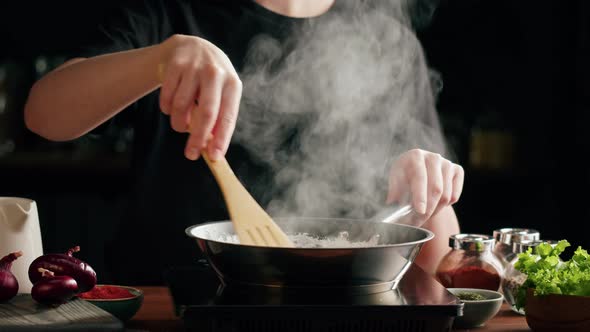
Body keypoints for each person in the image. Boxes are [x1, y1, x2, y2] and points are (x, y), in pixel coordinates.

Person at [24, 0, 463, 284]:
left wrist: (429, 193)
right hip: (165, 303)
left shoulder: (380, 33)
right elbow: (43, 115)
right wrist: (160, 59)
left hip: (338, 308)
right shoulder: (170, 12)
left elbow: (441, 265)